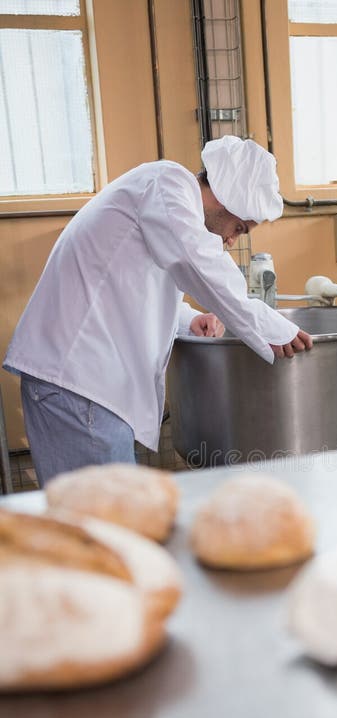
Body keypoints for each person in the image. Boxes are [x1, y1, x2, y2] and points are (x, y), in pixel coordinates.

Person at [3, 136, 313, 486]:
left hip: (82, 386)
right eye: (239, 228)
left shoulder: (161, 201)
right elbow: (200, 262)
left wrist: (189, 319)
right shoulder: (167, 184)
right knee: (102, 527)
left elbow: (137, 287)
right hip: (81, 385)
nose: (231, 240)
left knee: (99, 524)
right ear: (227, 198)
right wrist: (272, 328)